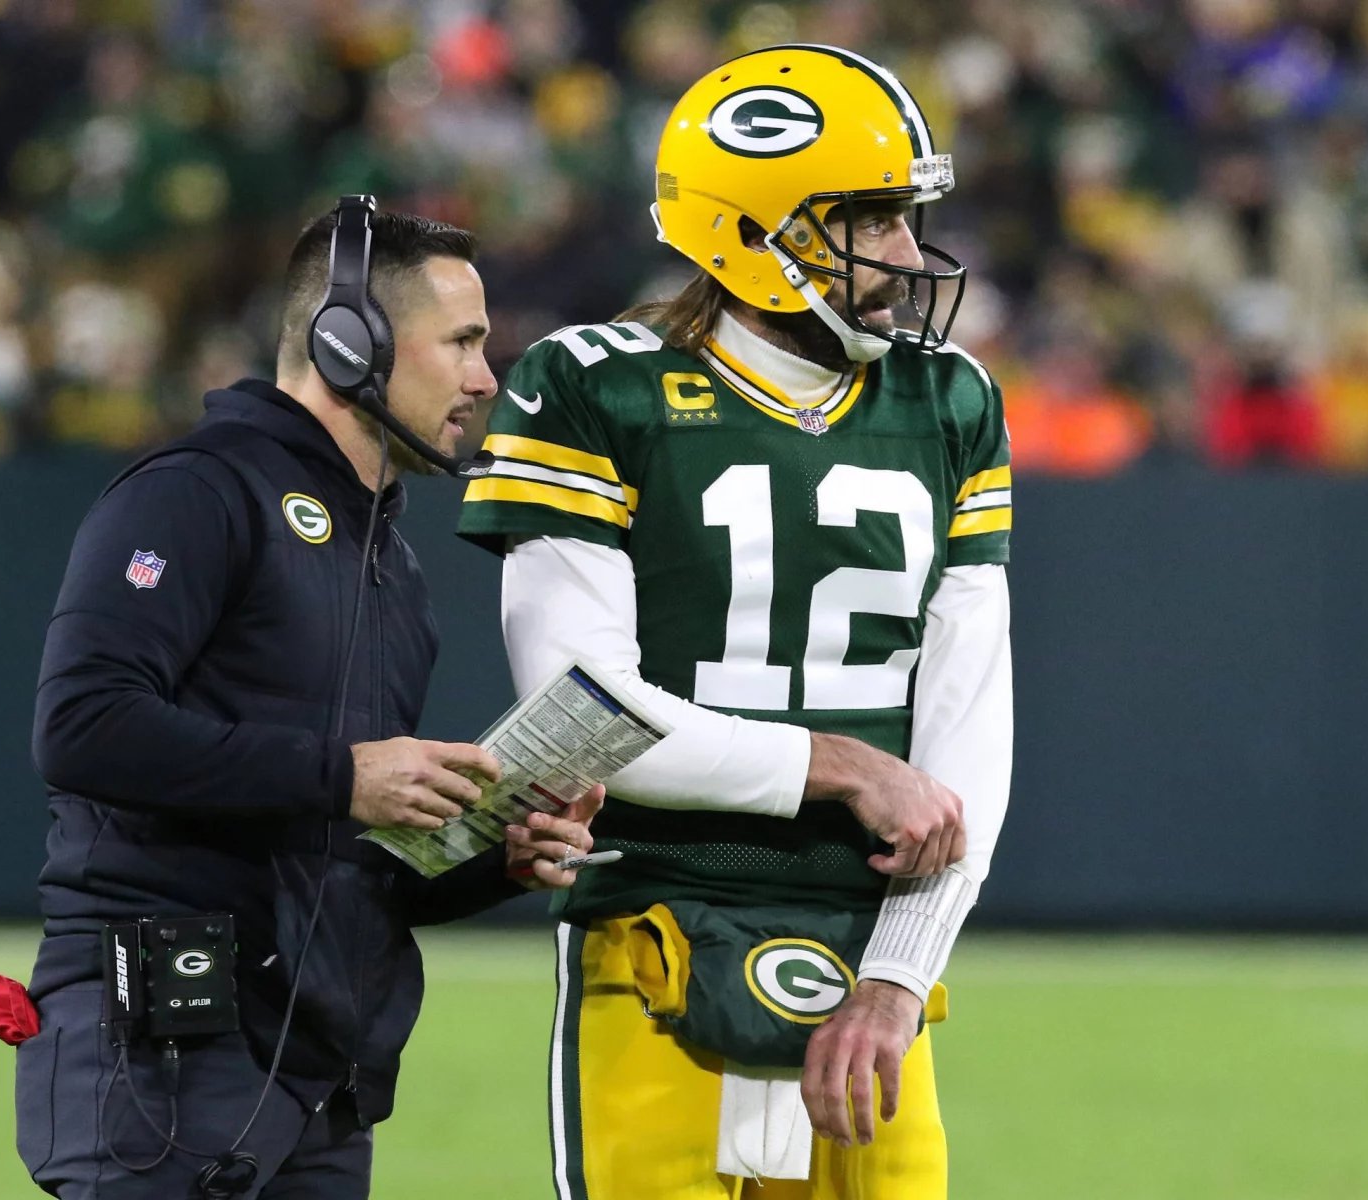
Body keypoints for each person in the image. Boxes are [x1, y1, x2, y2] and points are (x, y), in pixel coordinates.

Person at [456, 46, 1013, 1200]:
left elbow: (970, 726)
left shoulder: (948, 397)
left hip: (870, 950)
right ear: (756, 230)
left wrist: (899, 978)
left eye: (906, 218)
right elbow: (580, 719)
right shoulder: (597, 386)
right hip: (655, 934)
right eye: (871, 219)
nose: (908, 255)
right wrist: (840, 764)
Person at [18, 201, 602, 1199]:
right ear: (350, 344)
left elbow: (340, 854)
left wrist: (493, 860)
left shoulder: (391, 562)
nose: (484, 378)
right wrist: (343, 776)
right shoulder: (196, 490)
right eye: (462, 343)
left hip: (316, 1070)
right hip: (165, 1041)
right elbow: (81, 727)